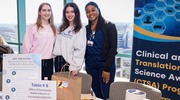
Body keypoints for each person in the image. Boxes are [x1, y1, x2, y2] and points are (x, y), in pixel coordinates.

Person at [84, 1, 117, 100]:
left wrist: (107, 69)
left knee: (106, 93)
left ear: (98, 10)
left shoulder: (109, 26)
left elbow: (113, 49)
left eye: (93, 10)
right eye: (88, 11)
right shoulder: (86, 29)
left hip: (104, 64)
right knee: (97, 93)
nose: (90, 13)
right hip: (90, 64)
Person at [22, 2, 57, 80]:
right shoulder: (33, 28)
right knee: (34, 87)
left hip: (49, 61)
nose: (47, 13)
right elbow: (26, 47)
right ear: (39, 12)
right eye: (44, 10)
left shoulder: (55, 29)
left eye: (49, 10)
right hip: (34, 61)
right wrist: (26, 63)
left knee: (47, 87)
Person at [53, 2, 86, 76]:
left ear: (76, 13)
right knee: (59, 85)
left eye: (72, 12)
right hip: (58, 61)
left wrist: (75, 66)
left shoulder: (80, 29)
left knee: (67, 86)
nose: (69, 14)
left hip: (69, 63)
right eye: (67, 12)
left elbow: (80, 49)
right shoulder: (62, 28)